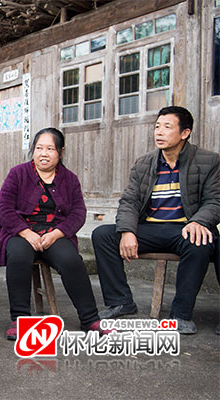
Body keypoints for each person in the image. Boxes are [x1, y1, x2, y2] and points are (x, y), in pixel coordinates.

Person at [92, 106, 219, 335]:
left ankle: (181, 315)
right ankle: (121, 302)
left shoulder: (209, 161)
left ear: (185, 133)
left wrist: (198, 221)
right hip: (150, 227)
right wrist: (128, 231)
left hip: (185, 228)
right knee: (103, 235)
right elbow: (129, 201)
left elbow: (215, 201)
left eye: (167, 127)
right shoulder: (144, 163)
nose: (159, 132)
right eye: (157, 126)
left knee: (199, 241)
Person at [0, 128, 109, 339]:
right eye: (39, 148)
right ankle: (20, 319)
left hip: (55, 233)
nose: (43, 153)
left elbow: (79, 213)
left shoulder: (69, 179)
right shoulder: (18, 173)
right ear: (33, 150)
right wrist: (25, 232)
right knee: (18, 255)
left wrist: (57, 234)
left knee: (71, 260)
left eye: (50, 148)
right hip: (21, 232)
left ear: (60, 152)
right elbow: (3, 208)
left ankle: (89, 319)